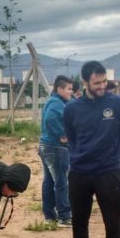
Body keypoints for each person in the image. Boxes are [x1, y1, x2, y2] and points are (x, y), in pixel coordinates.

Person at [63, 61, 120, 238]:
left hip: (108, 171)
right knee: (79, 221)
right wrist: (83, 154)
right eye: (97, 83)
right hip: (79, 172)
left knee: (112, 222)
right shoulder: (72, 108)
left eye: (104, 81)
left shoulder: (119, 104)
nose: (102, 86)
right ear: (85, 82)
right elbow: (71, 137)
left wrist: (110, 153)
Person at [39, 75, 73, 228]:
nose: (71, 92)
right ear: (60, 89)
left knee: (49, 181)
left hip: (47, 146)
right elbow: (50, 120)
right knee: (61, 182)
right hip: (56, 148)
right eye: (69, 89)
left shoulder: (54, 101)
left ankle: (49, 216)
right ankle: (64, 217)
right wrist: (62, 135)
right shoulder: (57, 103)